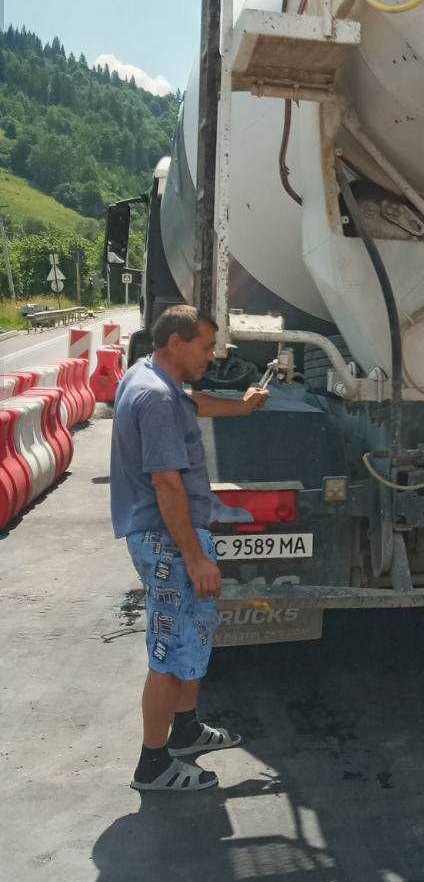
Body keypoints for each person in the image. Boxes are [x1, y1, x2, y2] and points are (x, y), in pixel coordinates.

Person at [110, 305, 269, 792]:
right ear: (176, 343)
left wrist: (240, 407)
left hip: (169, 535)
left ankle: (186, 729)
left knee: (192, 635)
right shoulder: (156, 398)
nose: (211, 356)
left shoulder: (149, 376)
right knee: (170, 648)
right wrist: (195, 558)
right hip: (167, 540)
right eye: (204, 347)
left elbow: (194, 403)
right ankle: (153, 765)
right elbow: (166, 483)